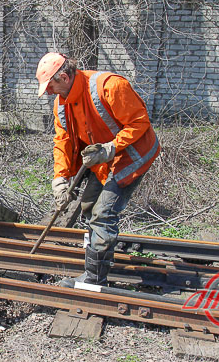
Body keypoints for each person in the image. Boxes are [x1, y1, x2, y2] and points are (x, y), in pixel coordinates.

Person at [36, 52, 160, 286]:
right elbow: (62, 140)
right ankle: (98, 259)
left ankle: (94, 279)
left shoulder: (110, 87)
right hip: (103, 161)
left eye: (50, 86)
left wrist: (111, 147)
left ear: (63, 77)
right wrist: (60, 179)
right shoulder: (61, 104)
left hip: (132, 156)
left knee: (103, 214)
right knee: (89, 205)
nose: (49, 92)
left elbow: (140, 122)